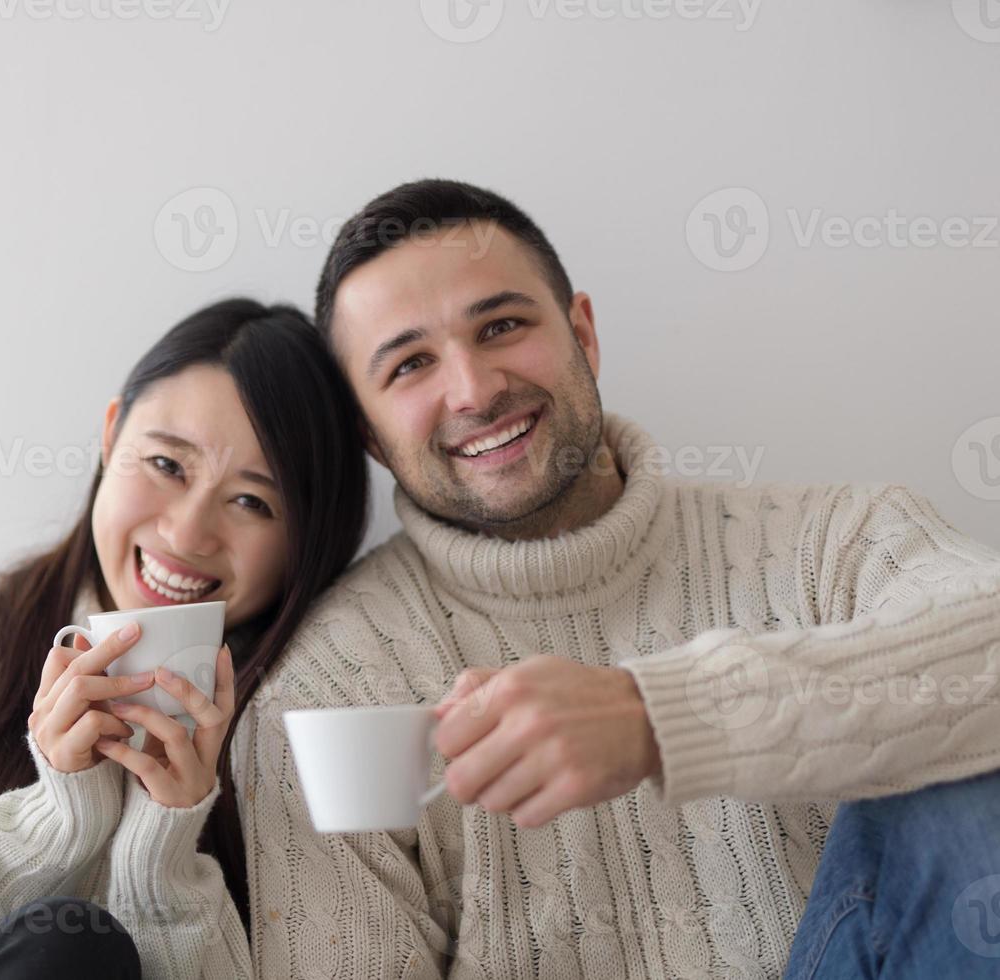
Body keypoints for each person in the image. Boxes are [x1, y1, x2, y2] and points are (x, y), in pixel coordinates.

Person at [122, 179, 1000, 978]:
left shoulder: (828, 544)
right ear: (369, 433)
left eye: (501, 326)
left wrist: (659, 718)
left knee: (965, 768)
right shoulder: (327, 690)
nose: (473, 389)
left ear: (582, 332)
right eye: (410, 365)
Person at [0, 297, 368, 979]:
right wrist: (53, 821)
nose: (186, 533)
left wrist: (163, 846)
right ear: (111, 438)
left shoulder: (308, 715)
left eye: (253, 502)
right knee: (69, 945)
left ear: (306, 540)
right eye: (167, 466)